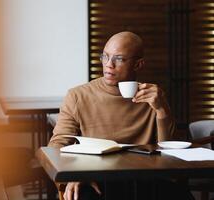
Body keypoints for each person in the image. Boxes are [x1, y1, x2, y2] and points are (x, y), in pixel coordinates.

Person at [48, 32, 192, 200]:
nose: (109, 65)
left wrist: (162, 111)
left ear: (138, 65)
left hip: (146, 180)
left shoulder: (153, 97)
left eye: (119, 59)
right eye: (105, 56)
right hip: (96, 179)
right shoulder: (78, 96)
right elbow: (56, 145)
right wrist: (71, 175)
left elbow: (170, 154)